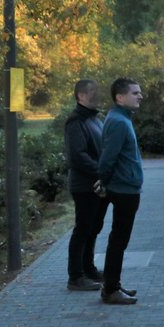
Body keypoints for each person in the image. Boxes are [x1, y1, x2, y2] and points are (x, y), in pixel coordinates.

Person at [96, 78, 144, 305]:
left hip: (126, 186)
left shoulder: (120, 118)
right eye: (135, 93)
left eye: (139, 92)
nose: (140, 96)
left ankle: (112, 285)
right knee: (118, 241)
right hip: (124, 189)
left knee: (118, 240)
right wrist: (103, 182)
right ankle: (111, 289)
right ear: (120, 97)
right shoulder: (118, 121)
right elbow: (109, 156)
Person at [63, 79, 109, 291]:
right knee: (83, 229)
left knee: (93, 228)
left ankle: (89, 269)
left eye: (97, 90)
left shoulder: (95, 119)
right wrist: (101, 172)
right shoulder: (75, 122)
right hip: (84, 186)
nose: (96, 94)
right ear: (80, 95)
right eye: (91, 91)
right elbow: (78, 156)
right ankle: (75, 276)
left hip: (99, 184)